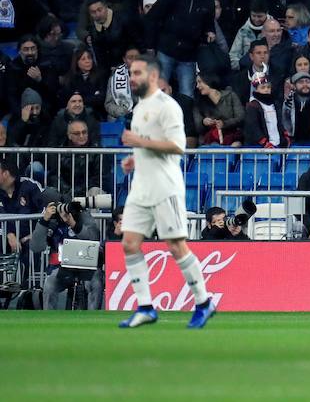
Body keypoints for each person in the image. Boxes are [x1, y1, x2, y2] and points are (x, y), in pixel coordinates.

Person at [117, 55, 215, 328]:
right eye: (131, 73)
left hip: (164, 187)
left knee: (175, 246)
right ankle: (146, 306)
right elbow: (149, 146)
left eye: (137, 73)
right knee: (129, 243)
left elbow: (178, 146)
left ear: (151, 76)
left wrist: (140, 141)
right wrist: (135, 158)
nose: (132, 78)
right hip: (141, 187)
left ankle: (204, 302)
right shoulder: (139, 107)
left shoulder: (167, 106)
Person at [144, 0, 218, 97]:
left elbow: (209, 24)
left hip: (188, 55)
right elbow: (154, 16)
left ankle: (185, 117)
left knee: (187, 94)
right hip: (166, 50)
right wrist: (150, 45)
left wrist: (210, 32)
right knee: (159, 91)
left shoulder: (209, 3)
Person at [30, 188, 103, 309]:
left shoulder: (80, 213)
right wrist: (44, 221)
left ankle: (93, 318)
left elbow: (94, 238)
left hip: (86, 266)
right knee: (49, 285)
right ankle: (49, 322)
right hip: (61, 268)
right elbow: (36, 247)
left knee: (95, 282)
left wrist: (73, 223)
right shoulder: (50, 222)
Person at [194, 72, 244, 147]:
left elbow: (241, 117)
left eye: (199, 82)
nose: (197, 86)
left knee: (235, 145)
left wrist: (224, 123)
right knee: (213, 147)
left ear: (208, 81)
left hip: (233, 136)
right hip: (209, 139)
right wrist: (204, 122)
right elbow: (197, 127)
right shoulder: (198, 102)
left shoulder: (230, 96)